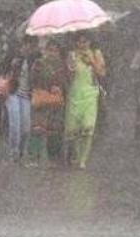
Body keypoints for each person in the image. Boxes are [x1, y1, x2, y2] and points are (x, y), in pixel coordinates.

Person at [64, 32, 106, 169]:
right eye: (80, 41)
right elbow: (68, 76)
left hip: (90, 93)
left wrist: (92, 62)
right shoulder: (72, 55)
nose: (83, 44)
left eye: (85, 41)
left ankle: (83, 160)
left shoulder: (96, 53)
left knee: (88, 126)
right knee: (74, 128)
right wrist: (71, 67)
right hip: (75, 93)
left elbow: (102, 73)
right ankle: (76, 153)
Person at [27, 39, 68, 166]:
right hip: (41, 100)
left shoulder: (63, 66)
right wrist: (48, 86)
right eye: (50, 50)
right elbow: (32, 80)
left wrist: (60, 86)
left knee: (54, 131)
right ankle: (34, 157)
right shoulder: (38, 63)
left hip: (56, 102)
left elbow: (67, 83)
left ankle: (53, 158)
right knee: (37, 128)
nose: (52, 53)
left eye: (55, 51)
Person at [3, 35, 39, 162]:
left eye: (31, 46)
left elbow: (39, 78)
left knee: (25, 127)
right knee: (14, 123)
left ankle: (22, 151)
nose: (28, 49)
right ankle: (13, 152)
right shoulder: (13, 56)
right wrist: (12, 66)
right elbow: (2, 71)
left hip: (26, 96)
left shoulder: (35, 59)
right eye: (26, 45)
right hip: (13, 93)